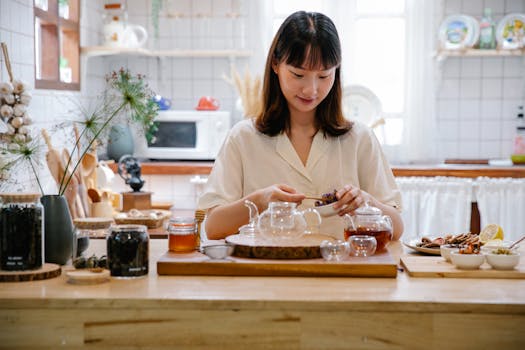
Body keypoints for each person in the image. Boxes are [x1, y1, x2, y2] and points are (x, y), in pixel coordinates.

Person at [198, 11, 403, 240]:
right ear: (276, 64)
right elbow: (214, 228)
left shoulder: (359, 138)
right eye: (298, 74)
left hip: (341, 273)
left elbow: (397, 228)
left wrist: (366, 202)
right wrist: (260, 200)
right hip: (266, 273)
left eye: (324, 76)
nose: (311, 89)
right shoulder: (243, 137)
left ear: (336, 70)